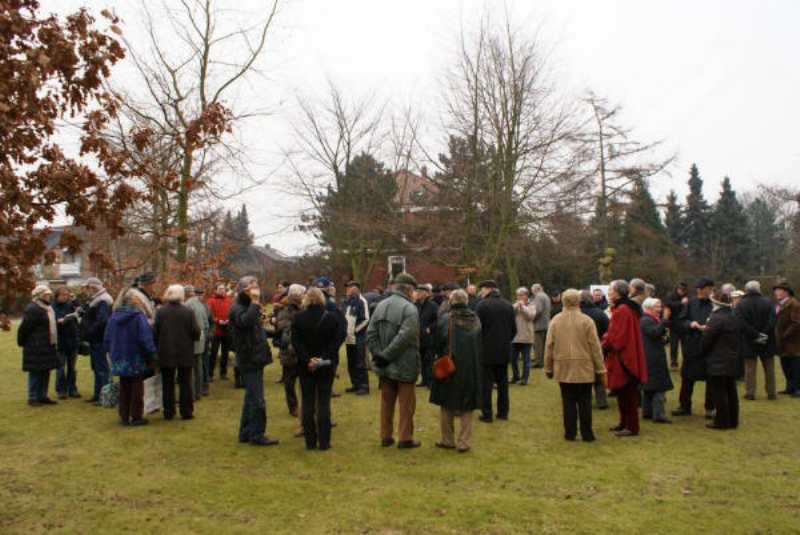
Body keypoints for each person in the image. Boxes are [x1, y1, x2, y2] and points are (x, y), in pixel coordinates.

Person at [367, 273, 421, 449]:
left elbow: (371, 334)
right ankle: (405, 438)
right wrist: (386, 355)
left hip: (385, 365)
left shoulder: (381, 306)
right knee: (406, 405)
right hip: (404, 364)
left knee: (386, 403)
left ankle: (386, 436)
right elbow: (405, 337)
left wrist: (379, 355)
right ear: (409, 289)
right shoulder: (410, 309)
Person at [545, 289, 606, 442]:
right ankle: (587, 433)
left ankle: (570, 432)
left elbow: (549, 346)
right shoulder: (586, 321)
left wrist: (548, 367)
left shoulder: (556, 320)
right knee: (585, 401)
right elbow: (595, 347)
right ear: (578, 301)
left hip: (563, 366)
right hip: (584, 366)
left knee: (568, 401)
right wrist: (600, 368)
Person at [430, 289, 482, 452]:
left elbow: (437, 342)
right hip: (472, 367)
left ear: (452, 301)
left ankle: (447, 439)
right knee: (468, 405)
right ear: (466, 301)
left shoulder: (446, 319)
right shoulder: (476, 320)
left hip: (450, 365)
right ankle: (464, 442)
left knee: (446, 403)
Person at [230, 276, 279, 446]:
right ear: (244, 290)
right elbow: (245, 322)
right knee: (258, 400)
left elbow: (256, 329)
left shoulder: (249, 307)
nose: (256, 289)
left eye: (257, 286)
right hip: (248, 357)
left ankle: (245, 432)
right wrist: (255, 302)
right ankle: (257, 434)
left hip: (255, 356)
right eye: (252, 287)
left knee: (250, 397)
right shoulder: (238, 308)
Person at [292, 287, 341, 450]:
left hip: (306, 366)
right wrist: (322, 358)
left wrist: (308, 360)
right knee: (324, 402)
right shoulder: (332, 318)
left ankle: (310, 441)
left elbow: (296, 343)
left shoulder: (298, 318)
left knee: (307, 403)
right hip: (326, 365)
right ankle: (325, 442)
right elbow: (336, 342)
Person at [104, 290, 157, 426]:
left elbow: (107, 338)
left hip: (119, 356)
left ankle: (124, 416)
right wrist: (152, 354)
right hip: (135, 356)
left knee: (124, 386)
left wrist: (110, 353)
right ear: (134, 301)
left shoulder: (113, 317)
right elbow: (145, 338)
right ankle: (136, 416)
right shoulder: (139, 317)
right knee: (137, 387)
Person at [603, 280, 647, 437]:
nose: (608, 293)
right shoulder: (626, 308)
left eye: (611, 290)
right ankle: (624, 423)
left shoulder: (622, 310)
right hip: (626, 355)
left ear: (618, 292)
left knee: (627, 393)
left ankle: (631, 426)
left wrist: (604, 343)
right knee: (622, 393)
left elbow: (617, 337)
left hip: (624, 358)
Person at [154, 285, 199, 421]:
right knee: (185, 383)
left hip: (166, 352)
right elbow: (196, 332)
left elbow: (155, 332)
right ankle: (186, 411)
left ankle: (169, 412)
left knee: (167, 384)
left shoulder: (160, 312)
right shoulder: (188, 312)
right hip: (185, 352)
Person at [672, 278, 715, 418]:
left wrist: (710, 328)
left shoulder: (714, 304)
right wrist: (691, 324)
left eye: (711, 288)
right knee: (687, 378)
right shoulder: (690, 303)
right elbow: (680, 321)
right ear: (700, 289)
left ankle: (710, 408)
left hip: (709, 346)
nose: (710, 291)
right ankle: (684, 406)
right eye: (708, 288)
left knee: (711, 380)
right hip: (691, 346)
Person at [475, 280, 516, 423]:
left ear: (488, 289)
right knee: (503, 384)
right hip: (503, 350)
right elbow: (513, 330)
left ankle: (487, 414)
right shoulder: (508, 305)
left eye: (483, 289)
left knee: (486, 384)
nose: (481, 292)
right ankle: (503, 412)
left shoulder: (482, 306)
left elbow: (477, 329)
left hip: (486, 351)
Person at [702, 292, 741, 429]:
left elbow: (707, 340)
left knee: (719, 393)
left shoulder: (716, 318)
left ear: (716, 303)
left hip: (717, 359)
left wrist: (703, 351)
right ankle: (733, 420)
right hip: (732, 358)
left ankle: (722, 421)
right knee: (731, 391)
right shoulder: (734, 316)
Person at [17, 285, 60, 406]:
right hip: (35, 346)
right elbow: (25, 328)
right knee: (35, 371)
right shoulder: (33, 309)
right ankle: (32, 397)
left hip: (47, 345)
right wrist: (22, 342)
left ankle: (42, 396)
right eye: (46, 294)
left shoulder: (48, 308)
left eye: (49, 294)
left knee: (46, 371)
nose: (49, 296)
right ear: (39, 295)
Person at [738, 281, 777, 400]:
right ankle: (771, 393)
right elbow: (773, 320)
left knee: (750, 369)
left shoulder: (741, 304)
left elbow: (741, 323)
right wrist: (763, 334)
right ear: (759, 289)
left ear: (746, 290)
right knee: (769, 368)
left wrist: (755, 335)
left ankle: (750, 393)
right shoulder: (769, 302)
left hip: (749, 340)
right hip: (767, 340)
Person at [274, 284, 305, 419]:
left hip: (302, 351)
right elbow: (283, 329)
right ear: (296, 296)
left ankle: (305, 407)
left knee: (305, 381)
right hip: (290, 351)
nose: (304, 296)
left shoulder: (304, 308)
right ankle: (293, 407)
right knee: (290, 381)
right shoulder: (285, 310)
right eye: (303, 294)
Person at [640, 298, 673, 423]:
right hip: (653, 358)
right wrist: (664, 320)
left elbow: (658, 336)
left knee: (649, 387)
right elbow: (654, 333)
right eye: (657, 307)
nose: (659, 310)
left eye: (660, 307)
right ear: (648, 308)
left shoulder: (651, 320)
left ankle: (647, 412)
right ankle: (659, 415)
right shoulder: (646, 320)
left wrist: (665, 338)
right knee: (659, 387)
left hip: (652, 356)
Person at [82, 277, 113, 405]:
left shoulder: (103, 301)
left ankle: (103, 396)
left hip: (100, 339)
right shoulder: (98, 299)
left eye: (88, 287)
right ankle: (97, 394)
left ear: (93, 287)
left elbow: (102, 321)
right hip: (96, 339)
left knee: (101, 368)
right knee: (96, 368)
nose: (86, 290)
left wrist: (89, 331)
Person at [315, 277, 347, 397]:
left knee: (321, 363)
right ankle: (327, 388)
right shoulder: (330, 304)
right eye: (331, 285)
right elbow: (340, 325)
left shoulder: (312, 302)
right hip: (330, 343)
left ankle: (324, 388)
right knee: (329, 363)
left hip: (318, 343)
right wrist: (337, 343)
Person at [579, 290, 609, 409]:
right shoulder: (600, 313)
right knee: (598, 373)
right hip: (598, 346)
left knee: (583, 375)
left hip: (581, 347)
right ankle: (602, 401)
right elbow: (608, 329)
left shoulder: (578, 314)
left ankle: (585, 400)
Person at [53, 287, 81, 399]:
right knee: (60, 368)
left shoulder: (71, 304)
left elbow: (81, 310)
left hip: (73, 341)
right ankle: (61, 390)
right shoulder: (53, 307)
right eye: (63, 295)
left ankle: (72, 389)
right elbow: (59, 321)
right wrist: (69, 317)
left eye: (67, 295)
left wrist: (75, 300)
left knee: (72, 368)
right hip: (60, 342)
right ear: (57, 296)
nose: (66, 297)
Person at [343, 281, 371, 395]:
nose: (348, 290)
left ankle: (363, 386)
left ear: (356, 288)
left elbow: (366, 319)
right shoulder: (348, 301)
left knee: (360, 362)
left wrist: (356, 330)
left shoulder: (362, 301)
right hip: (348, 337)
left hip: (359, 337)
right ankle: (355, 384)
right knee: (351, 362)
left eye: (350, 287)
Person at [774, 280, 800, 397]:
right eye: (776, 290)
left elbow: (796, 323)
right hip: (783, 342)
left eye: (779, 290)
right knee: (786, 365)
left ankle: (797, 389)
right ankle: (789, 388)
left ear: (786, 292)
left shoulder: (794, 304)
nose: (776, 292)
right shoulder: (779, 305)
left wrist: (784, 335)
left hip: (793, 343)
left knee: (794, 366)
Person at [184, 285, 209, 401]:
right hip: (201, 338)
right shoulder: (201, 305)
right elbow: (206, 323)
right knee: (199, 366)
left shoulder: (187, 305)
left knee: (191, 369)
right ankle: (198, 392)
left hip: (191, 339)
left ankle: (192, 394)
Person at [207, 283, 233, 381]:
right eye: (220, 289)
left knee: (225, 353)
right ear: (216, 290)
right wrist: (218, 320)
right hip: (216, 330)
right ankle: (210, 374)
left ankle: (223, 373)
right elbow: (209, 315)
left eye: (223, 289)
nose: (222, 290)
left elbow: (232, 313)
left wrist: (229, 320)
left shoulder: (229, 301)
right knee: (213, 353)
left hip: (227, 330)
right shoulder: (211, 301)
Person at [510, 287, 536, 385]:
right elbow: (510, 313)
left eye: (521, 295)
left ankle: (525, 379)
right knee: (513, 359)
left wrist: (523, 307)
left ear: (526, 296)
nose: (519, 297)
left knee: (526, 360)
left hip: (526, 337)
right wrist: (517, 306)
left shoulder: (531, 305)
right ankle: (516, 377)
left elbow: (531, 316)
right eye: (518, 295)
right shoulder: (515, 305)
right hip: (515, 336)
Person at [415, 284, 439, 389]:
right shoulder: (416, 305)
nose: (418, 294)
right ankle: (424, 380)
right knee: (421, 360)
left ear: (426, 294)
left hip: (429, 338)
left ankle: (430, 381)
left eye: (420, 292)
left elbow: (437, 320)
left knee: (429, 360)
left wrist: (430, 328)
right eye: (417, 292)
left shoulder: (433, 305)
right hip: (419, 337)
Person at [666, 282, 689, 369]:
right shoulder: (671, 296)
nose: (681, 292)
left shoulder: (687, 297)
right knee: (674, 345)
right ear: (677, 289)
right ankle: (673, 362)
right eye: (680, 290)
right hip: (674, 324)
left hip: (684, 325)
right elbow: (668, 304)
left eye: (683, 290)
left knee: (685, 345)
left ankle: (686, 361)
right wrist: (681, 303)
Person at [531, 283, 551, 369]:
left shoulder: (538, 297)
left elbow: (538, 310)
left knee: (538, 344)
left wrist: (532, 318)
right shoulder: (546, 296)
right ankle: (543, 361)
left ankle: (538, 362)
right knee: (544, 345)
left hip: (539, 324)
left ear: (535, 290)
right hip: (546, 323)